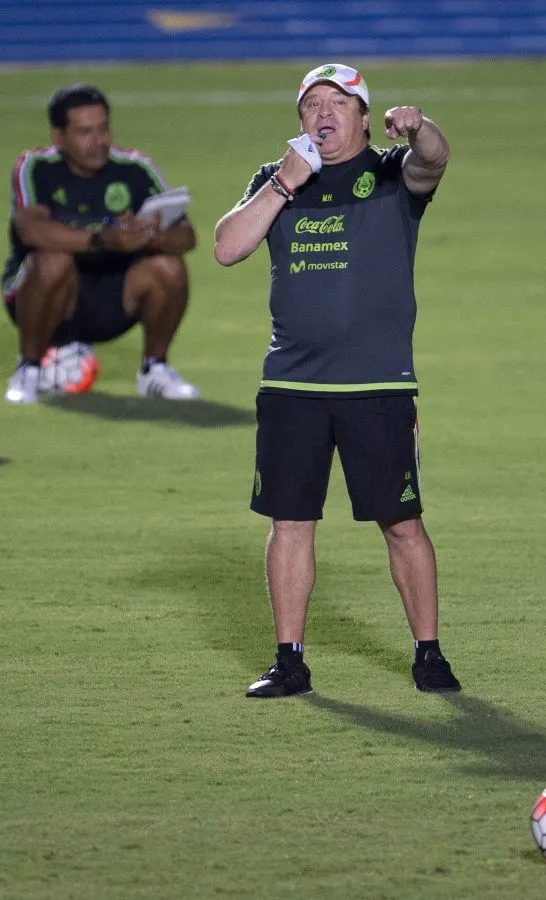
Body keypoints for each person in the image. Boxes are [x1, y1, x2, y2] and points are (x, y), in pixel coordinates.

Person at [214, 62, 461, 698]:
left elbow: (433, 160)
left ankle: (429, 655)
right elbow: (226, 246)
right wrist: (282, 185)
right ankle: (289, 661)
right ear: (300, 118)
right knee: (290, 521)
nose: (323, 114)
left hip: (376, 385)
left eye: (337, 103)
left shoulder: (389, 173)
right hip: (292, 386)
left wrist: (420, 127)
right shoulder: (276, 180)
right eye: (311, 104)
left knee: (402, 521)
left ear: (361, 114)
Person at [3, 83, 199, 404]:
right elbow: (31, 230)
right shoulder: (36, 167)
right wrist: (102, 239)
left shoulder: (134, 168)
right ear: (58, 137)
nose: (99, 141)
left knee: (168, 264)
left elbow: (187, 237)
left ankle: (155, 370)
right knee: (53, 259)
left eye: (103, 128)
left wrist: (156, 234)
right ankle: (29, 368)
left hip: (114, 297)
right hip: (45, 298)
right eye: (84, 132)